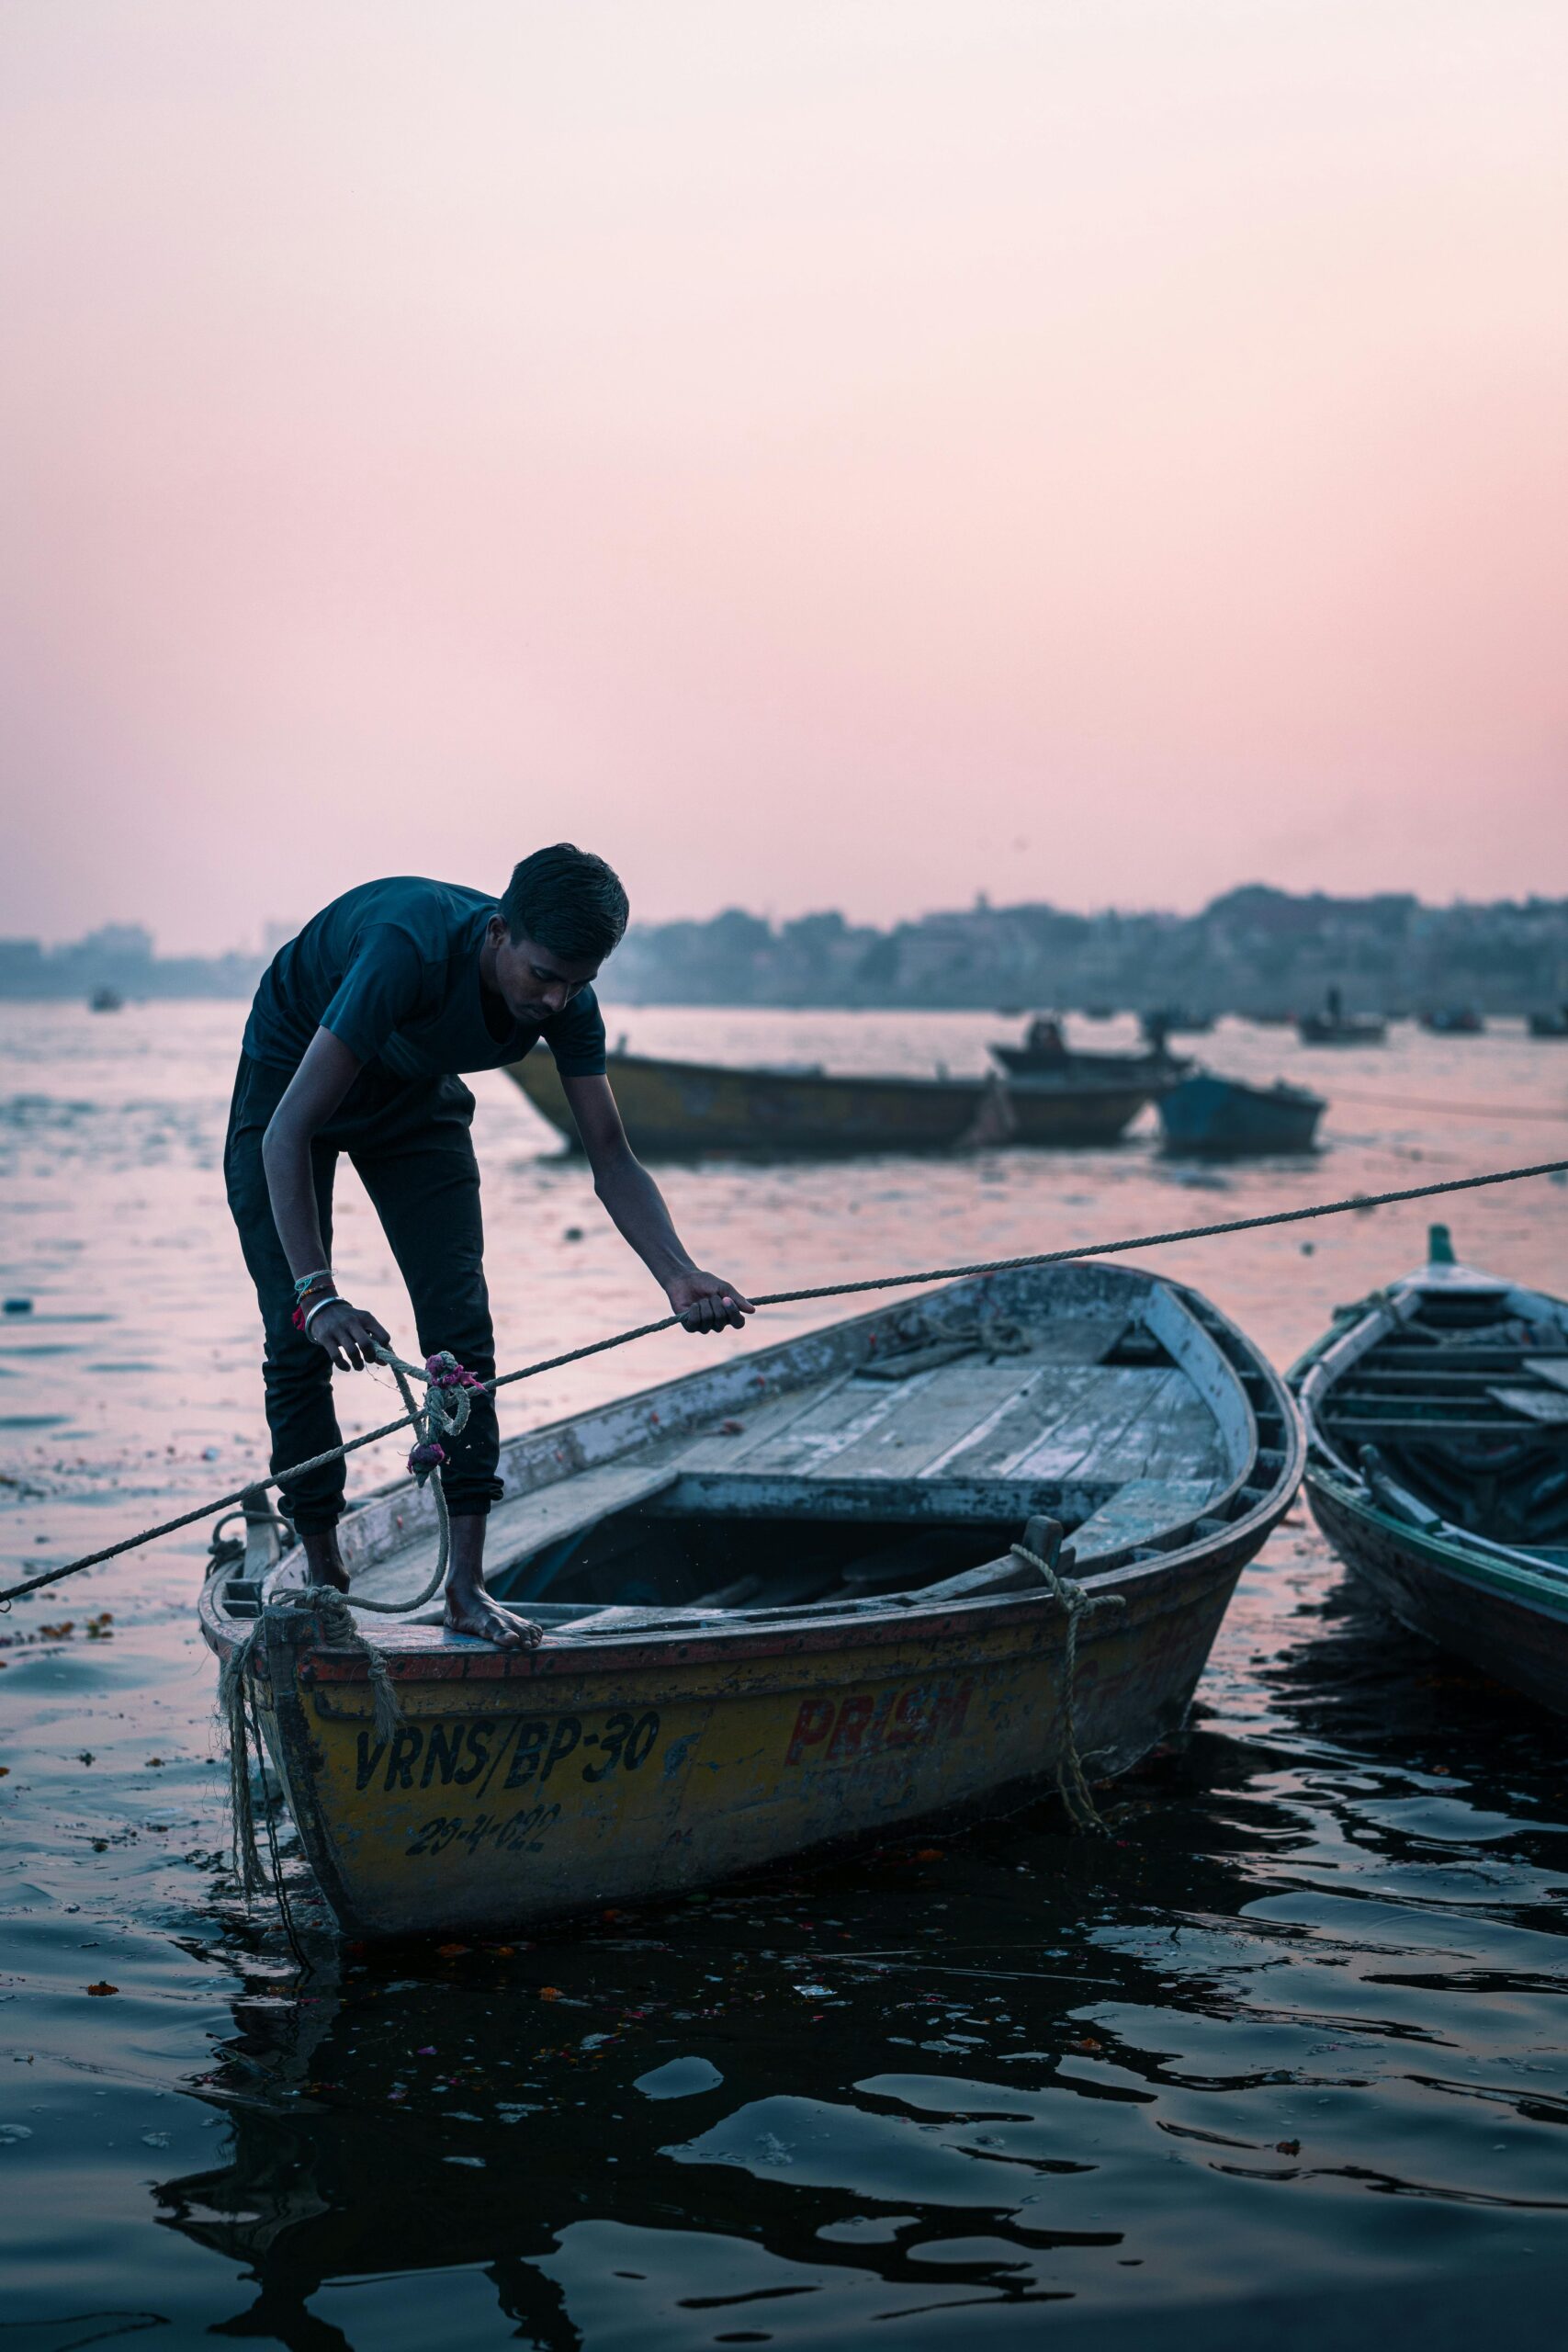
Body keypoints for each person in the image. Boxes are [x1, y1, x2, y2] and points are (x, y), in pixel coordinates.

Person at [224, 846, 750, 1650]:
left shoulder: (569, 1001)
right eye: (541, 975)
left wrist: (678, 1274)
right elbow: (290, 1131)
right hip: (290, 1079)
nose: (555, 998)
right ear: (499, 933)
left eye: (576, 981)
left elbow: (610, 1156)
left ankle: (466, 1590)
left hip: (412, 1096)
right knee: (296, 1337)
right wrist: (319, 1293)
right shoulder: (408, 949)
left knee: (461, 1336)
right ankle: (323, 1570)